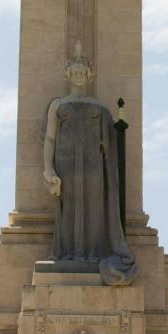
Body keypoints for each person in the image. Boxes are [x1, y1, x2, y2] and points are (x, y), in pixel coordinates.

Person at [42, 47, 136, 282]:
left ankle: (93, 254)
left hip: (93, 165)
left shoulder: (101, 108)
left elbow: (111, 144)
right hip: (64, 163)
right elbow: (50, 138)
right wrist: (48, 168)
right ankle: (67, 253)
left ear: (89, 75)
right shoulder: (58, 105)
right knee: (68, 208)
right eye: (74, 72)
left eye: (82, 71)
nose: (78, 75)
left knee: (94, 208)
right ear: (67, 74)